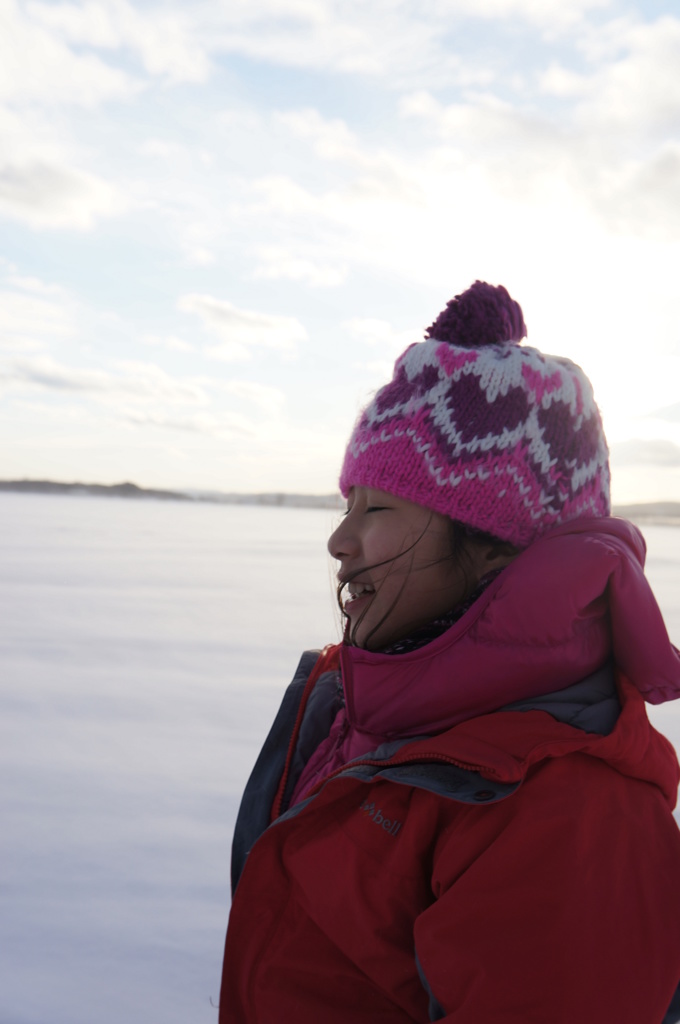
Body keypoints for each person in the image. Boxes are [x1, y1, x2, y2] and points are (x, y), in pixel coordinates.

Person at [218, 281, 680, 1023]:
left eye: (380, 510)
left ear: (496, 547)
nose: (339, 541)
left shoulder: (565, 807)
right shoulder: (360, 712)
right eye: (348, 505)